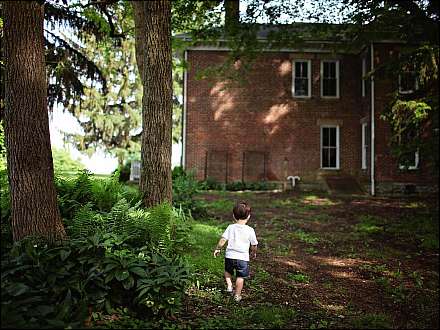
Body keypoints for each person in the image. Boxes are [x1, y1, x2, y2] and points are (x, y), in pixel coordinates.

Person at [213, 201, 258, 302]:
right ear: (248, 216)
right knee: (240, 277)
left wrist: (218, 248)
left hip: (229, 256)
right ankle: (237, 295)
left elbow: (223, 240)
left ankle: (229, 285)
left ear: (234, 216)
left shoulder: (230, 227)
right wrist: (253, 252)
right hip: (243, 258)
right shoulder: (250, 230)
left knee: (228, 271)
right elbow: (254, 244)